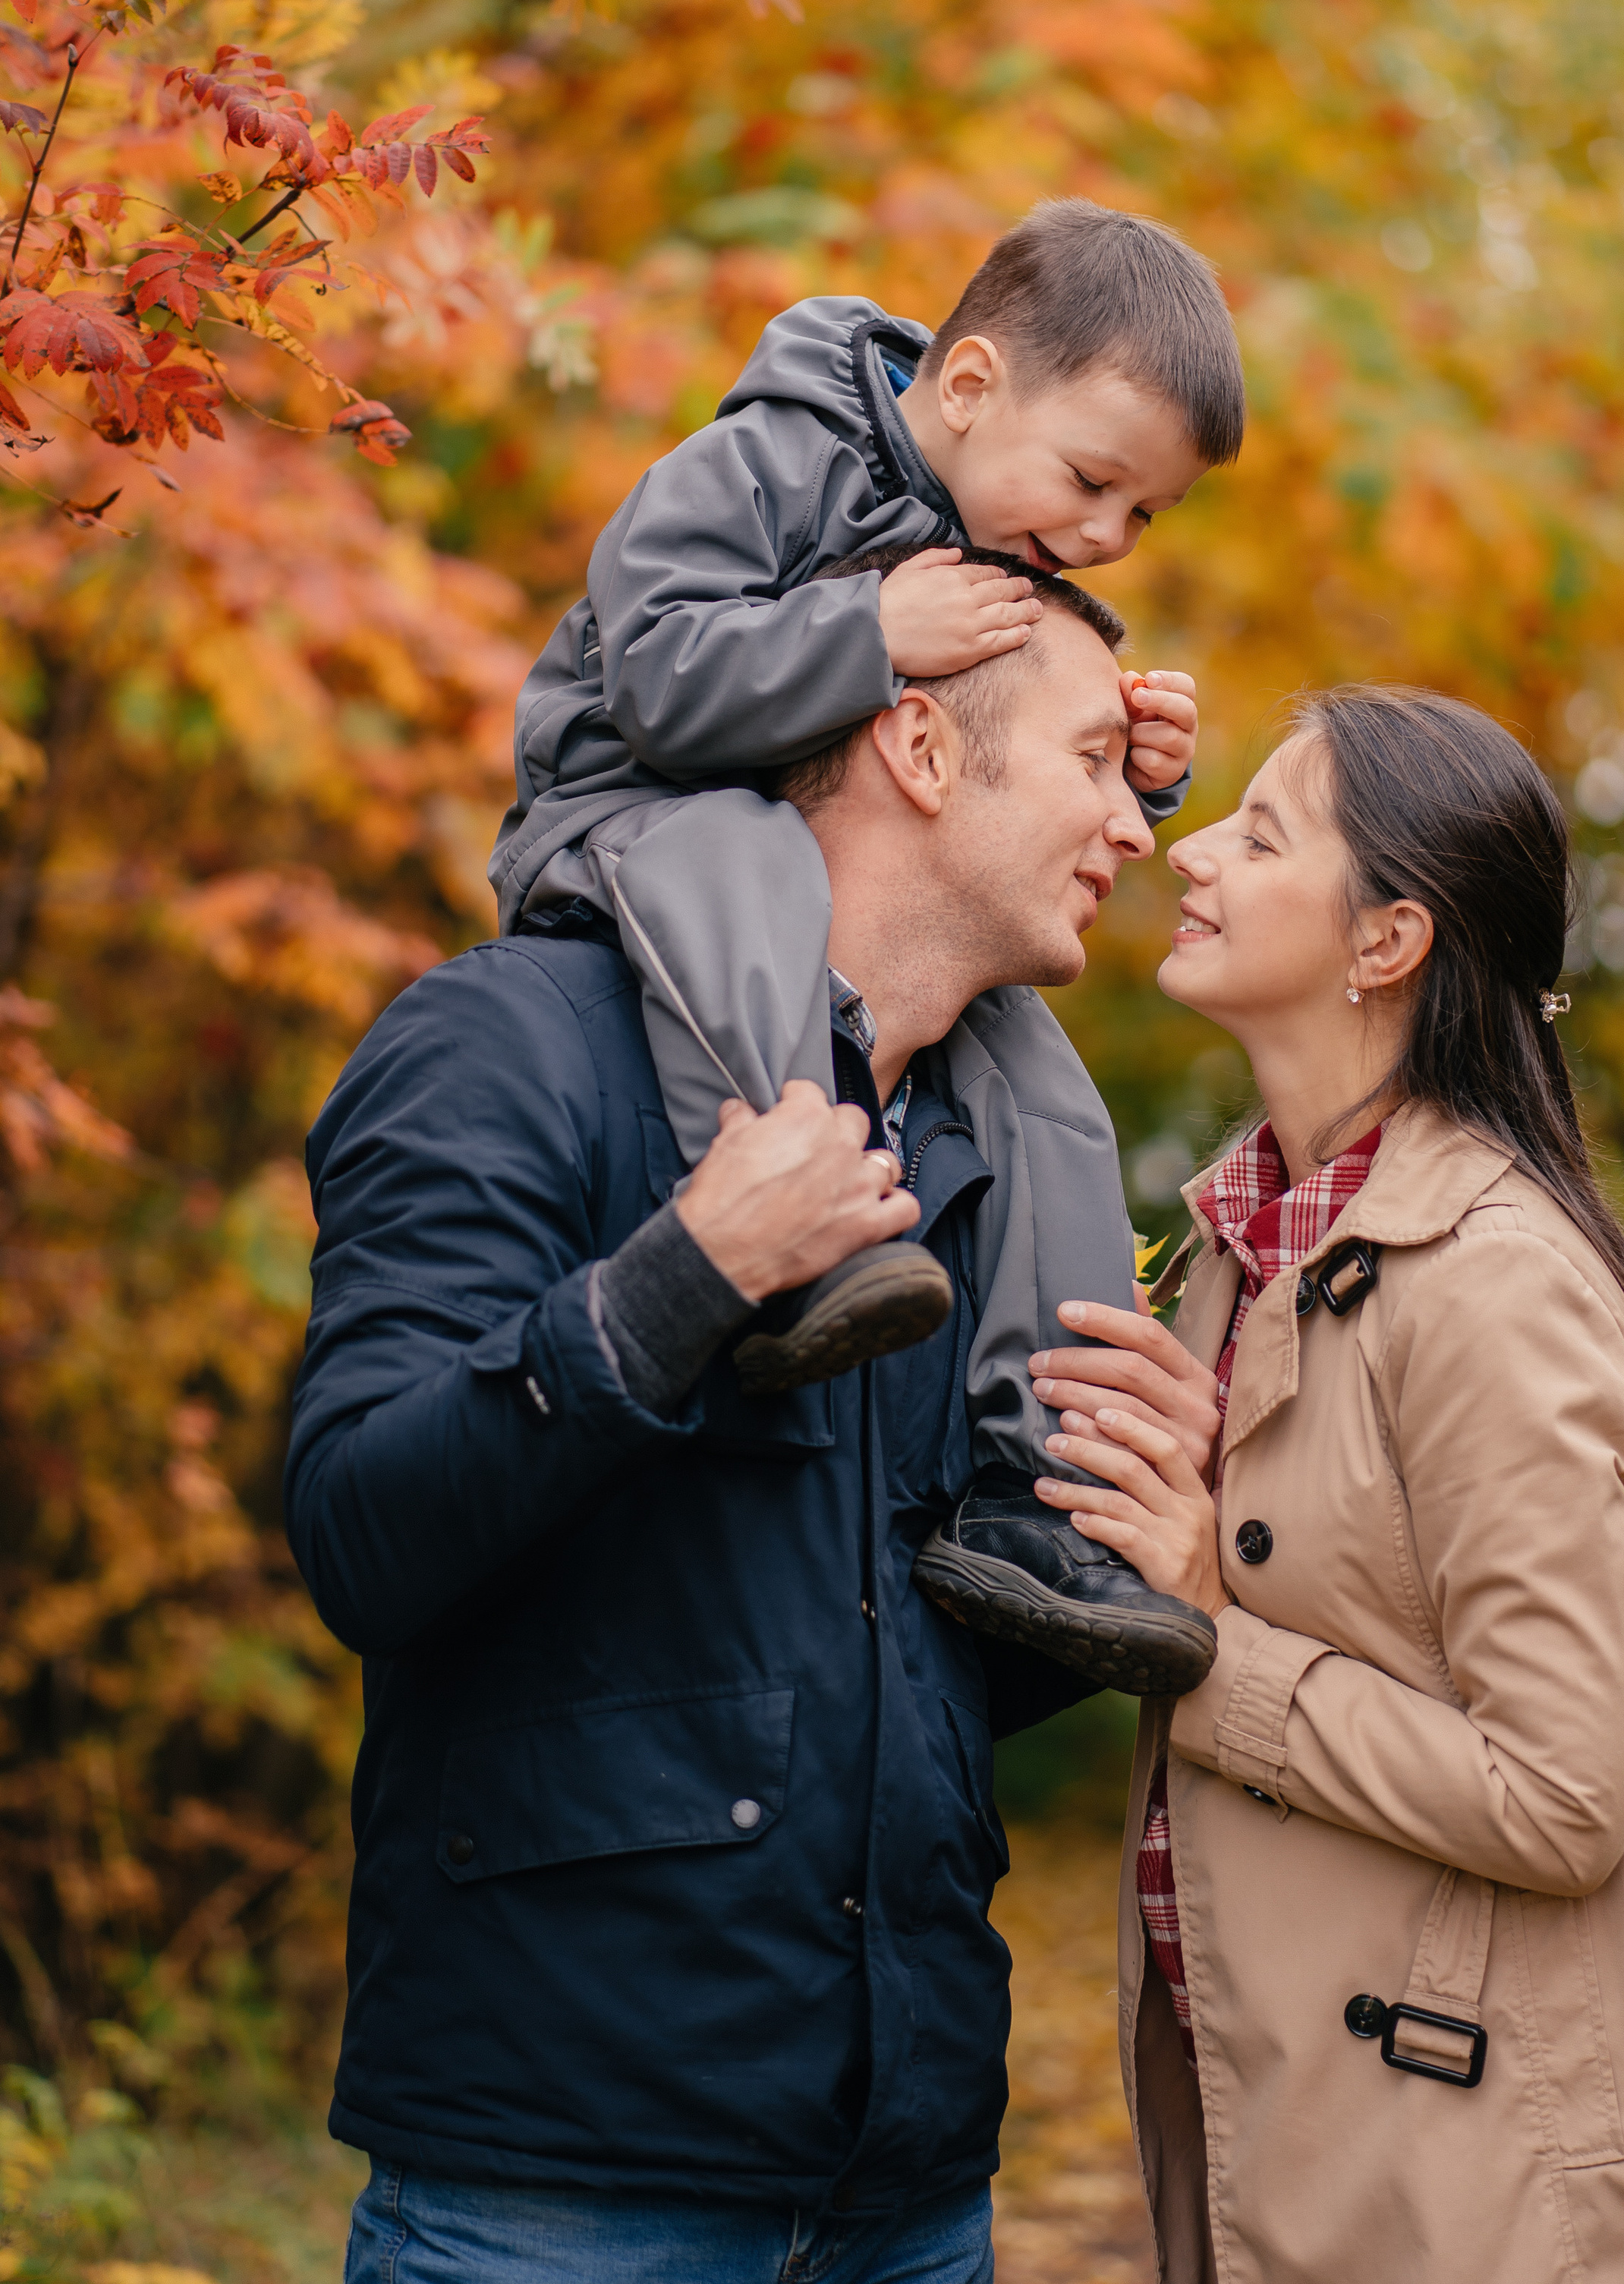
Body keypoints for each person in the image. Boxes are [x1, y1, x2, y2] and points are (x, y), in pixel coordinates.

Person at [291, 569, 1166, 2284]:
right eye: (1094, 760)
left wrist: (1115, 1543)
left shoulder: (976, 1155)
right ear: (919, 743)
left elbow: (890, 1668)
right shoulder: (510, 1046)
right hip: (555, 2215)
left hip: (904, 2216)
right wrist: (686, 1278)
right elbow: (363, 1535)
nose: (1133, 820)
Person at [1016, 686, 1624, 2284]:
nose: (1194, 852)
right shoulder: (1245, 1247)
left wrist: (1201, 1642)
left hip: (1500, 2180)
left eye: (1261, 831)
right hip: (1317, 2126)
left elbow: (1560, 1793)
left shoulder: (1491, 1289)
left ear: (1386, 937)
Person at [486, 198, 1245, 1693]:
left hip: (820, 864)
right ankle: (793, 1244)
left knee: (1039, 1088)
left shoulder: (996, 531)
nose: (1099, 538)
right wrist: (871, 633)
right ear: (966, 390)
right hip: (638, 809)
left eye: (1140, 519)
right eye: (1092, 482)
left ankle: (1039, 1498)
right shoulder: (771, 458)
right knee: (751, 863)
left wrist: (1134, 760)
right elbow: (652, 680)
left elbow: (992, 757)